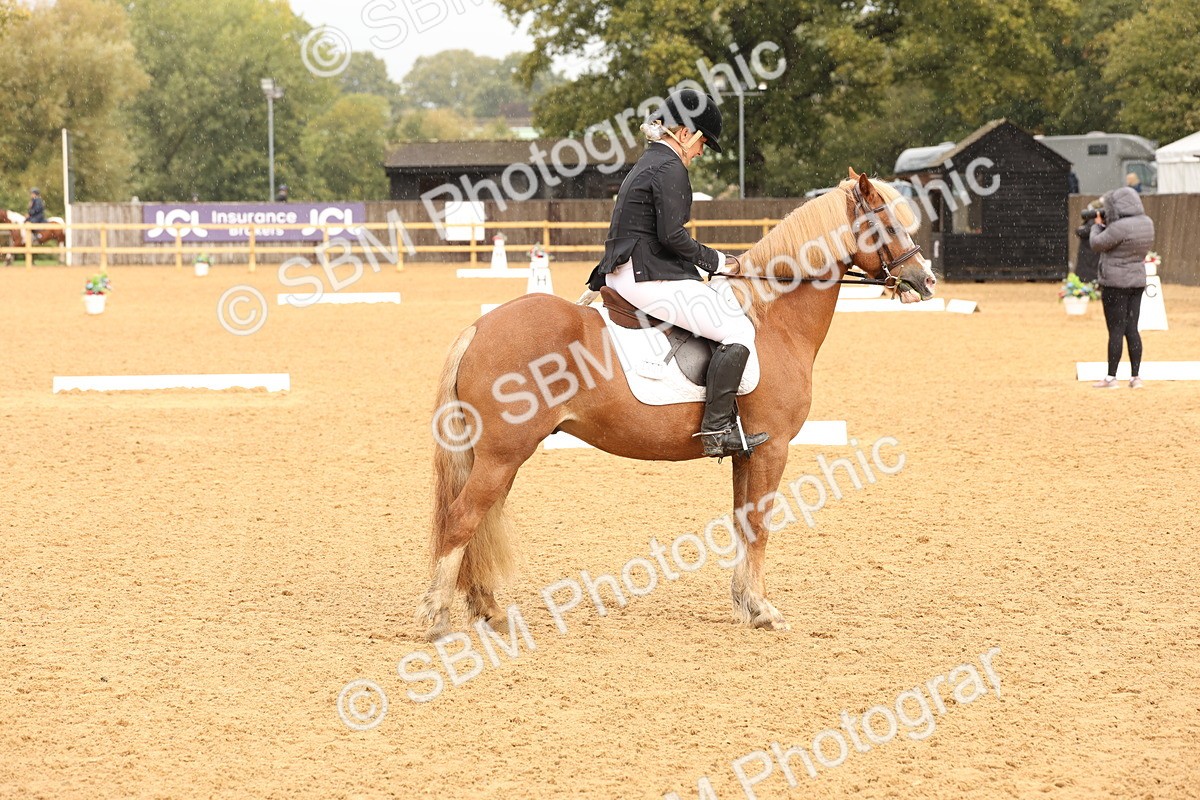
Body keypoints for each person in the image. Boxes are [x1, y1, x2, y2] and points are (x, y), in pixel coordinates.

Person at [585, 89, 768, 458]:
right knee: (737, 330)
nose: (700, 152)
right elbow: (672, 236)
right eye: (702, 143)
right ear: (684, 133)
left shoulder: (650, 161)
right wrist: (719, 262)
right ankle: (716, 430)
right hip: (646, 276)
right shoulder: (670, 167)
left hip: (626, 271)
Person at [1089, 186, 1155, 388]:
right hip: (1137, 281)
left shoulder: (1118, 227)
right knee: (1132, 329)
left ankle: (1111, 377)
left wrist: (1097, 226)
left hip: (1115, 283)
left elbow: (1096, 244)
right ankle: (1135, 377)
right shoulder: (1147, 222)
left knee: (1115, 330)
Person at [1072, 200, 1103, 283]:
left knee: (1089, 273)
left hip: (1090, 251)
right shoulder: (1094, 220)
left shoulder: (1094, 220)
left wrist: (1079, 229)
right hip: (1089, 250)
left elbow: (1084, 231)